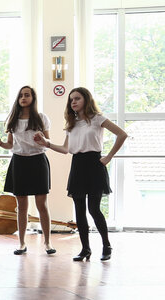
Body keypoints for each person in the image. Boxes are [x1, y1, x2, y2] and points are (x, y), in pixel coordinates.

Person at [35, 87, 127, 261]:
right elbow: (65, 149)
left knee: (94, 209)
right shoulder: (72, 123)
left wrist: (109, 157)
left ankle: (106, 245)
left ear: (86, 100)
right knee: (79, 210)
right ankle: (85, 249)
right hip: (77, 165)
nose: (73, 102)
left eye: (77, 98)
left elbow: (122, 134)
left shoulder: (98, 119)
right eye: (71, 100)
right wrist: (46, 143)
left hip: (94, 164)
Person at [0, 86, 55, 255]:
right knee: (21, 206)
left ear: (33, 98)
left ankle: (47, 243)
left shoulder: (41, 118)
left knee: (42, 204)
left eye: (27, 95)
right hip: (19, 162)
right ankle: (21, 243)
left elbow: (48, 141)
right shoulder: (13, 119)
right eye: (21, 95)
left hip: (38, 161)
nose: (23, 98)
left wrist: (42, 140)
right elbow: (10, 145)